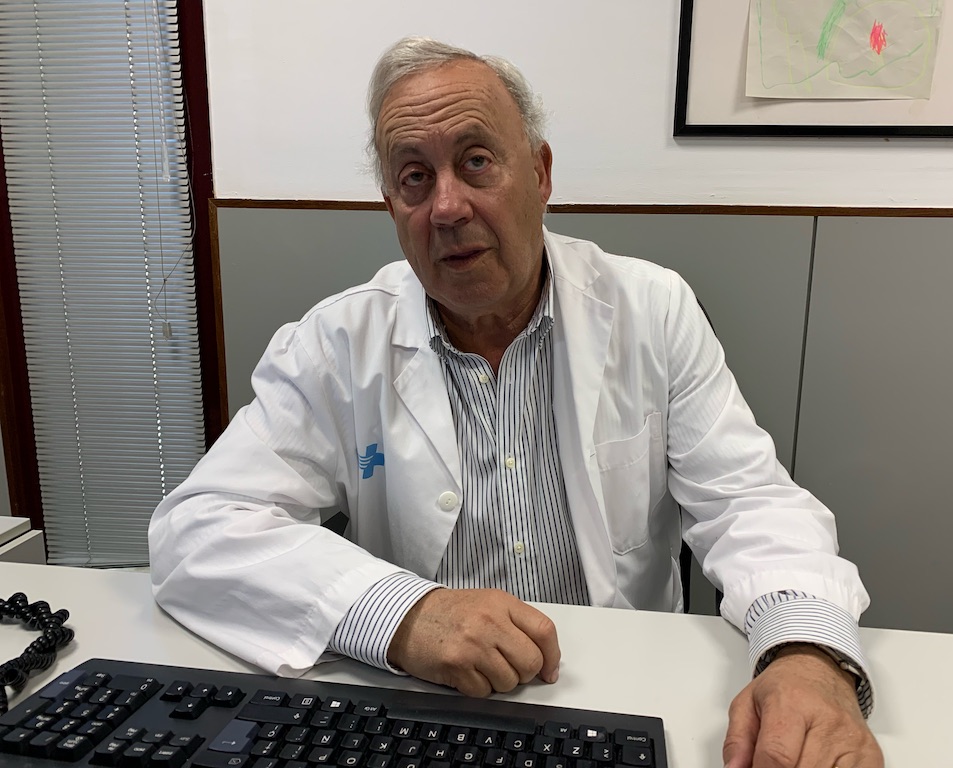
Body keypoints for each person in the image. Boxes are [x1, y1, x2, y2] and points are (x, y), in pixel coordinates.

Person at [149, 36, 883, 768]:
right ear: (391, 205)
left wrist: (806, 654)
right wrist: (400, 613)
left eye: (476, 161)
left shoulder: (652, 310)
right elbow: (199, 528)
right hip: (419, 708)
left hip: (619, 698)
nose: (446, 207)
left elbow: (749, 504)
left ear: (539, 172)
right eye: (414, 177)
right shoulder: (336, 342)